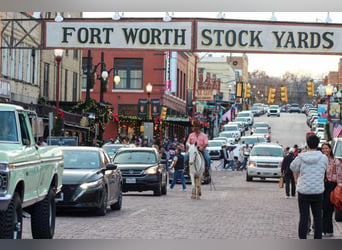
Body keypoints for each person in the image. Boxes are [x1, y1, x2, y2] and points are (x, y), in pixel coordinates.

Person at [290, 134, 328, 239]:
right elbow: (325, 168)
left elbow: (293, 167)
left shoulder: (301, 157)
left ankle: (302, 239)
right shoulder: (323, 158)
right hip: (318, 190)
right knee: (318, 218)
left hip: (304, 191)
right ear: (318, 144)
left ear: (307, 144)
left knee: (304, 217)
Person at [321, 142, 340, 237]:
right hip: (321, 185)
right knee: (322, 208)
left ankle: (328, 230)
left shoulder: (335, 161)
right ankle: (323, 229)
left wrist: (339, 187)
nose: (324, 150)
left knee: (328, 209)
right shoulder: (320, 160)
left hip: (331, 186)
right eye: (323, 149)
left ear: (330, 149)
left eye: (326, 148)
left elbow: (340, 176)